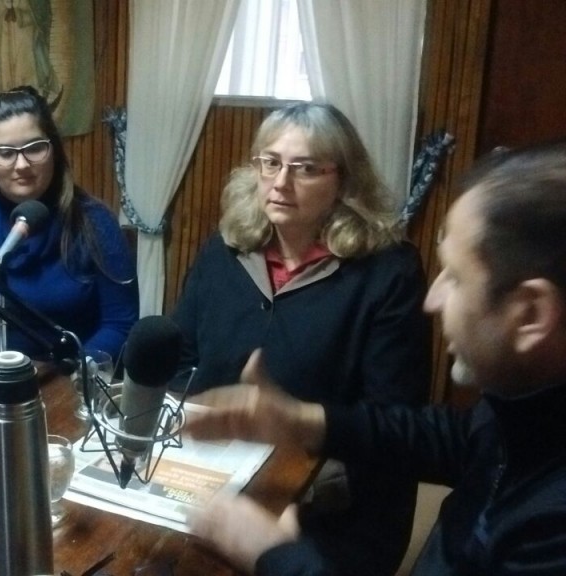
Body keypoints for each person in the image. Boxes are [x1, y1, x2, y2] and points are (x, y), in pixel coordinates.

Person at [187, 139, 566, 575]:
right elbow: (455, 438)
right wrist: (302, 420)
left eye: (456, 278)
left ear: (531, 314)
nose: (433, 300)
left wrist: (271, 553)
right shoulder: (528, 405)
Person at [171, 103, 431, 574]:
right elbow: (181, 358)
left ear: (344, 182)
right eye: (270, 162)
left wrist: (300, 490)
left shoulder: (388, 273)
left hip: (332, 501)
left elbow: (393, 423)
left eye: (306, 168)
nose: (280, 182)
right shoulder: (224, 250)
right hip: (213, 473)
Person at [0, 86, 138, 361]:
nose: (22, 164)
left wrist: (74, 375)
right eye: (5, 153)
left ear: (54, 151)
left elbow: (120, 323)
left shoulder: (95, 223)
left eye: (35, 148)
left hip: (75, 378)